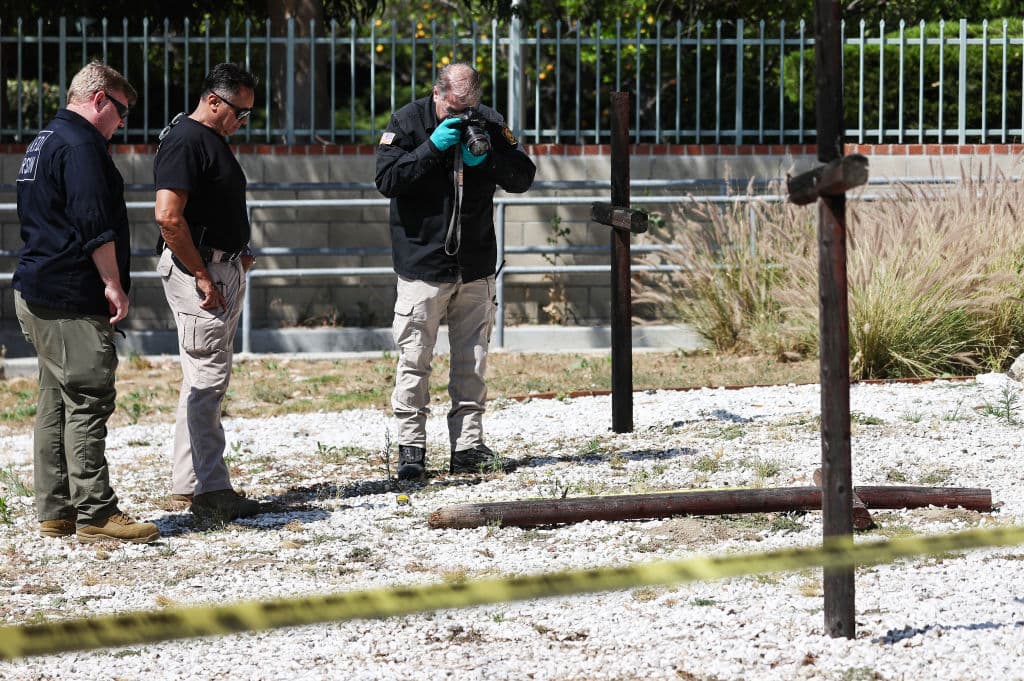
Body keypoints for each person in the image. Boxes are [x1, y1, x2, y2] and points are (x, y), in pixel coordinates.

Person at [12, 61, 160, 544]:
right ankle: (97, 512)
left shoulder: (45, 140)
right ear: (98, 100)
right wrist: (113, 285)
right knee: (89, 398)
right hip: (72, 295)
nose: (123, 123)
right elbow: (94, 224)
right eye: (121, 112)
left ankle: (56, 511)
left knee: (55, 399)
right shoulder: (81, 147)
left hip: (38, 291)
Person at [375, 62, 536, 480]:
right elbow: (387, 179)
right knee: (414, 361)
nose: (461, 115)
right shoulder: (408, 121)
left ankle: (467, 447)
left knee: (472, 362)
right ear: (437, 93)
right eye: (453, 107)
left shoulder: (488, 121)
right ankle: (411, 450)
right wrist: (431, 147)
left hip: (476, 264)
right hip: (423, 266)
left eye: (468, 107)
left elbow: (523, 177)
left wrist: (486, 159)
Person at [153, 63, 262, 520]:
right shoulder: (186, 140)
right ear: (213, 101)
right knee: (208, 381)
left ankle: (190, 480)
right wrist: (201, 273)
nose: (242, 121)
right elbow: (167, 217)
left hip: (220, 265)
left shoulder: (209, 140)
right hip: (201, 272)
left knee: (200, 376)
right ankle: (212, 491)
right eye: (239, 112)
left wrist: (237, 251)